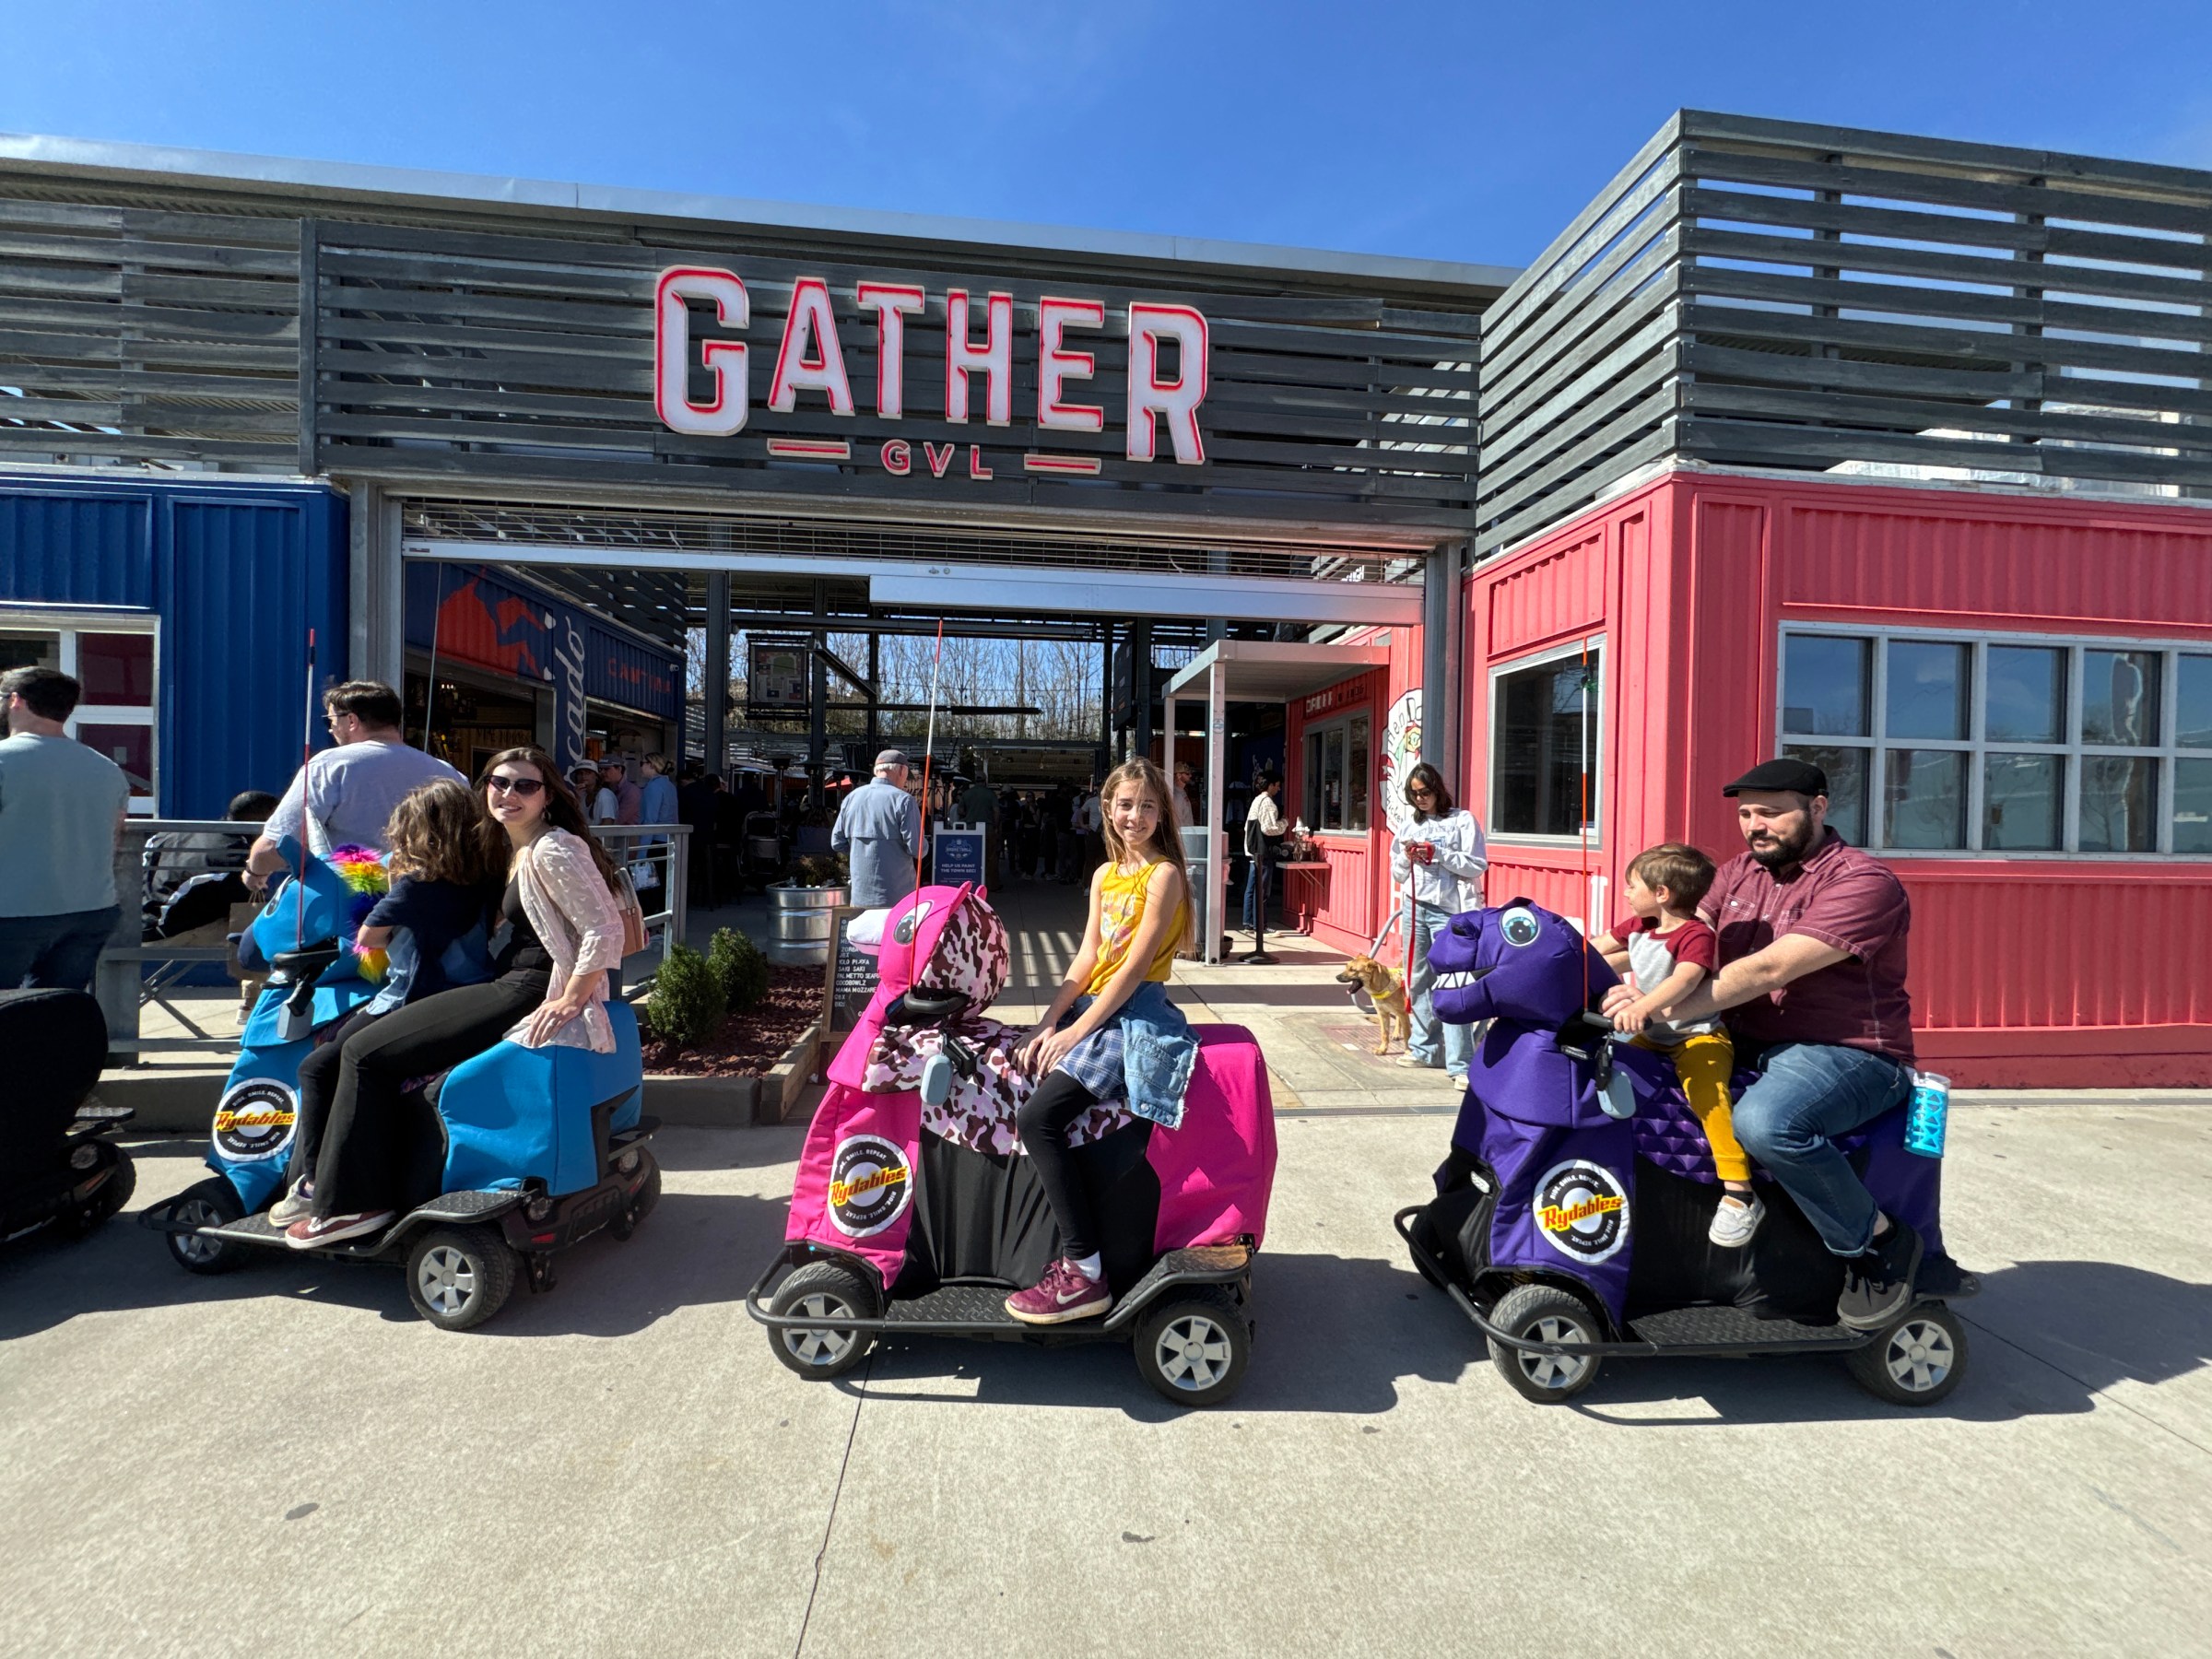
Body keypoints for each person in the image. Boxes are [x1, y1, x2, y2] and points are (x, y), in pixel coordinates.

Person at [1603, 758, 1920, 1328]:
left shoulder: (1863, 884)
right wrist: (1568, 962)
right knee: (1600, 1075)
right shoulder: (1736, 874)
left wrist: (1651, 1010)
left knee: (1767, 1124)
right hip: (1739, 1035)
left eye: (1771, 812)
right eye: (1747, 813)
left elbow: (1768, 970)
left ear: (1817, 808)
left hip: (1845, 1052)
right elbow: (1676, 942)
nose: (1755, 825)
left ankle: (1876, 1244)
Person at [285, 747, 629, 1247]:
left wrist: (572, 997)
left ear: (548, 795)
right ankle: (351, 1187)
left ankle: (352, 1205)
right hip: (507, 981)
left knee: (362, 1054)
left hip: (524, 986)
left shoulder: (553, 847)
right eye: (498, 782)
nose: (509, 794)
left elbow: (604, 925)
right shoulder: (510, 849)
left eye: (525, 786)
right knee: (358, 1055)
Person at [1009, 758, 1196, 1324]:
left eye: (1145, 805)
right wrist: (1049, 1021)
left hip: (1134, 1015)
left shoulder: (1163, 874)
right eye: (1124, 805)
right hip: (1094, 1007)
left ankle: (1084, 1271)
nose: (1134, 816)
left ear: (1161, 811)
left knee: (1036, 1119)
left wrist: (1074, 1034)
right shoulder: (1104, 876)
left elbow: (1134, 968)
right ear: (1107, 810)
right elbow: (1088, 958)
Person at [268, 778, 497, 1228]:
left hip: (410, 997)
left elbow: (369, 938)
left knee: (317, 1068)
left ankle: (315, 1182)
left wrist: (387, 883)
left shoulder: (414, 887)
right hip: (470, 993)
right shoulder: (484, 878)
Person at [1592, 843, 1756, 1247]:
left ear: (1662, 893)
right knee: (1606, 1072)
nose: (1626, 893)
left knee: (1709, 1098)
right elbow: (1595, 948)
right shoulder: (1640, 926)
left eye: (1633, 886)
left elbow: (1684, 979)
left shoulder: (1695, 934)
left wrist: (1644, 1005)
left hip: (1698, 1035)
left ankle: (1739, 1192)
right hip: (1655, 1035)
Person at [246, 681, 462, 888]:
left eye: (330, 721)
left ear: (351, 721)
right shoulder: (448, 773)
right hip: (428, 905)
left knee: (255, 928)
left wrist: (254, 871)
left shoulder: (329, 766)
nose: (331, 730)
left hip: (351, 904)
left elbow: (275, 846)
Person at [0, 667, 131, 991]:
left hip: (11, 912)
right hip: (89, 910)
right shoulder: (106, 768)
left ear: (16, 700)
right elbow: (114, 840)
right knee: (53, 1016)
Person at [1389, 762, 1488, 1083]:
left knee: (1453, 982)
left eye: (1425, 792)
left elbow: (1477, 865)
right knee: (1418, 978)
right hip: (1415, 906)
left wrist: (1439, 854)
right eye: (1414, 794)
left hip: (1450, 910)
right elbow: (1397, 873)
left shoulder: (1461, 820)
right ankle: (1424, 1049)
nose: (1420, 799)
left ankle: (1460, 1063)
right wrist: (1408, 855)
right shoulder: (1408, 825)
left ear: (1438, 790)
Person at [830, 748, 924, 909]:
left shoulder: (851, 798)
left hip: (860, 897)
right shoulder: (904, 801)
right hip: (898, 898)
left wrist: (861, 852)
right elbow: (918, 850)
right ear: (902, 770)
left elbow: (837, 843)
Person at [1242, 769, 1286, 935]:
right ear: (1271, 785)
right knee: (1262, 891)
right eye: (1277, 785)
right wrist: (1284, 823)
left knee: (1252, 888)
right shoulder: (1267, 802)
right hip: (1262, 851)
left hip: (1252, 849)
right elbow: (1269, 829)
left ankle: (1249, 923)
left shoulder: (1256, 800)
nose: (1279, 789)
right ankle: (1261, 924)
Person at [600, 756, 642, 827]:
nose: (602, 772)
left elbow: (618, 820)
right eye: (600, 769)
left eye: (606, 769)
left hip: (629, 834)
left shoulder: (631, 791)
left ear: (619, 769)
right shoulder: (605, 788)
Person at [1171, 761, 1195, 830]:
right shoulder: (1175, 794)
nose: (1190, 776)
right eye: (1187, 774)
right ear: (1179, 775)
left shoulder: (1182, 791)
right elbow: (1177, 819)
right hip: (1182, 834)